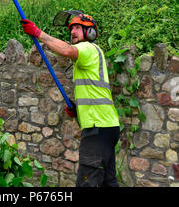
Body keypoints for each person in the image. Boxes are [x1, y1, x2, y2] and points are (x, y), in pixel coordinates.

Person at [21, 11, 120, 188]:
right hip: (107, 127)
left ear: (90, 32)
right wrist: (78, 108)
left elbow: (66, 50)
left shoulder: (88, 48)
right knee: (108, 181)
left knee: (87, 182)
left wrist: (38, 33)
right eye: (71, 28)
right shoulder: (89, 56)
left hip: (97, 128)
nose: (72, 31)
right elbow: (93, 93)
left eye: (77, 28)